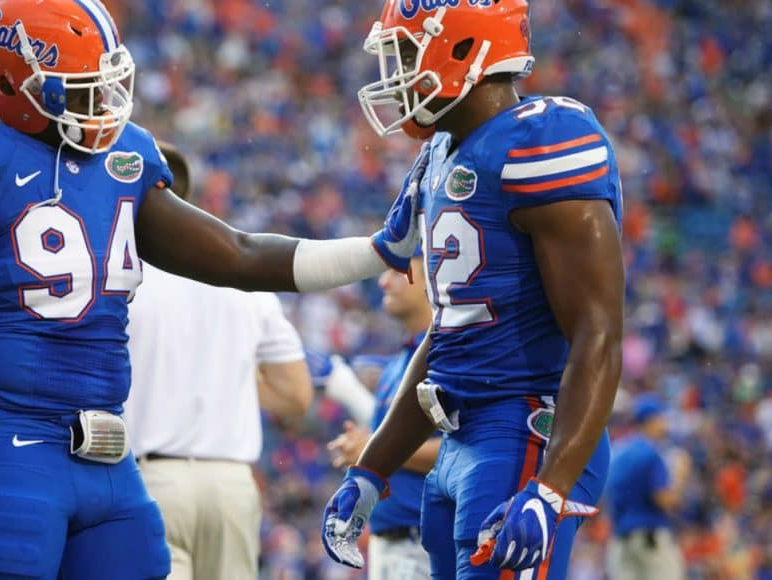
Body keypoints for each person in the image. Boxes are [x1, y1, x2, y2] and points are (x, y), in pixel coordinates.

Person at [0, 0, 430, 577]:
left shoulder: (125, 160)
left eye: (103, 82)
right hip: (4, 444)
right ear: (11, 86)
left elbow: (239, 254)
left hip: (107, 455)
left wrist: (378, 248)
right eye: (75, 88)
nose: (99, 103)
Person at [321, 1, 625, 579]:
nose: (397, 73)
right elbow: (449, 338)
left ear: (464, 49)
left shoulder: (544, 140)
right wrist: (372, 467)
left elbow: (599, 333)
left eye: (407, 53)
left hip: (520, 433)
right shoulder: (437, 155)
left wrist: (550, 489)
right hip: (458, 440)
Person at [125, 142, 313, 580]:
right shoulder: (239, 276)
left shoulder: (116, 275)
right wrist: (223, 374)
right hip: (231, 484)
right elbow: (295, 396)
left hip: (150, 480)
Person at [318, 253, 439, 580]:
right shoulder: (397, 364)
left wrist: (371, 450)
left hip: (425, 539)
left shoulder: (448, 357)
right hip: (393, 541)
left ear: (432, 275)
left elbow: (462, 449)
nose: (384, 281)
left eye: (399, 272)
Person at [605, 395, 689, 580]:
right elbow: (663, 499)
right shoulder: (651, 453)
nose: (664, 423)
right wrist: (680, 479)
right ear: (650, 420)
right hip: (650, 540)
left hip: (621, 540)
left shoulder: (618, 451)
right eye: (661, 418)